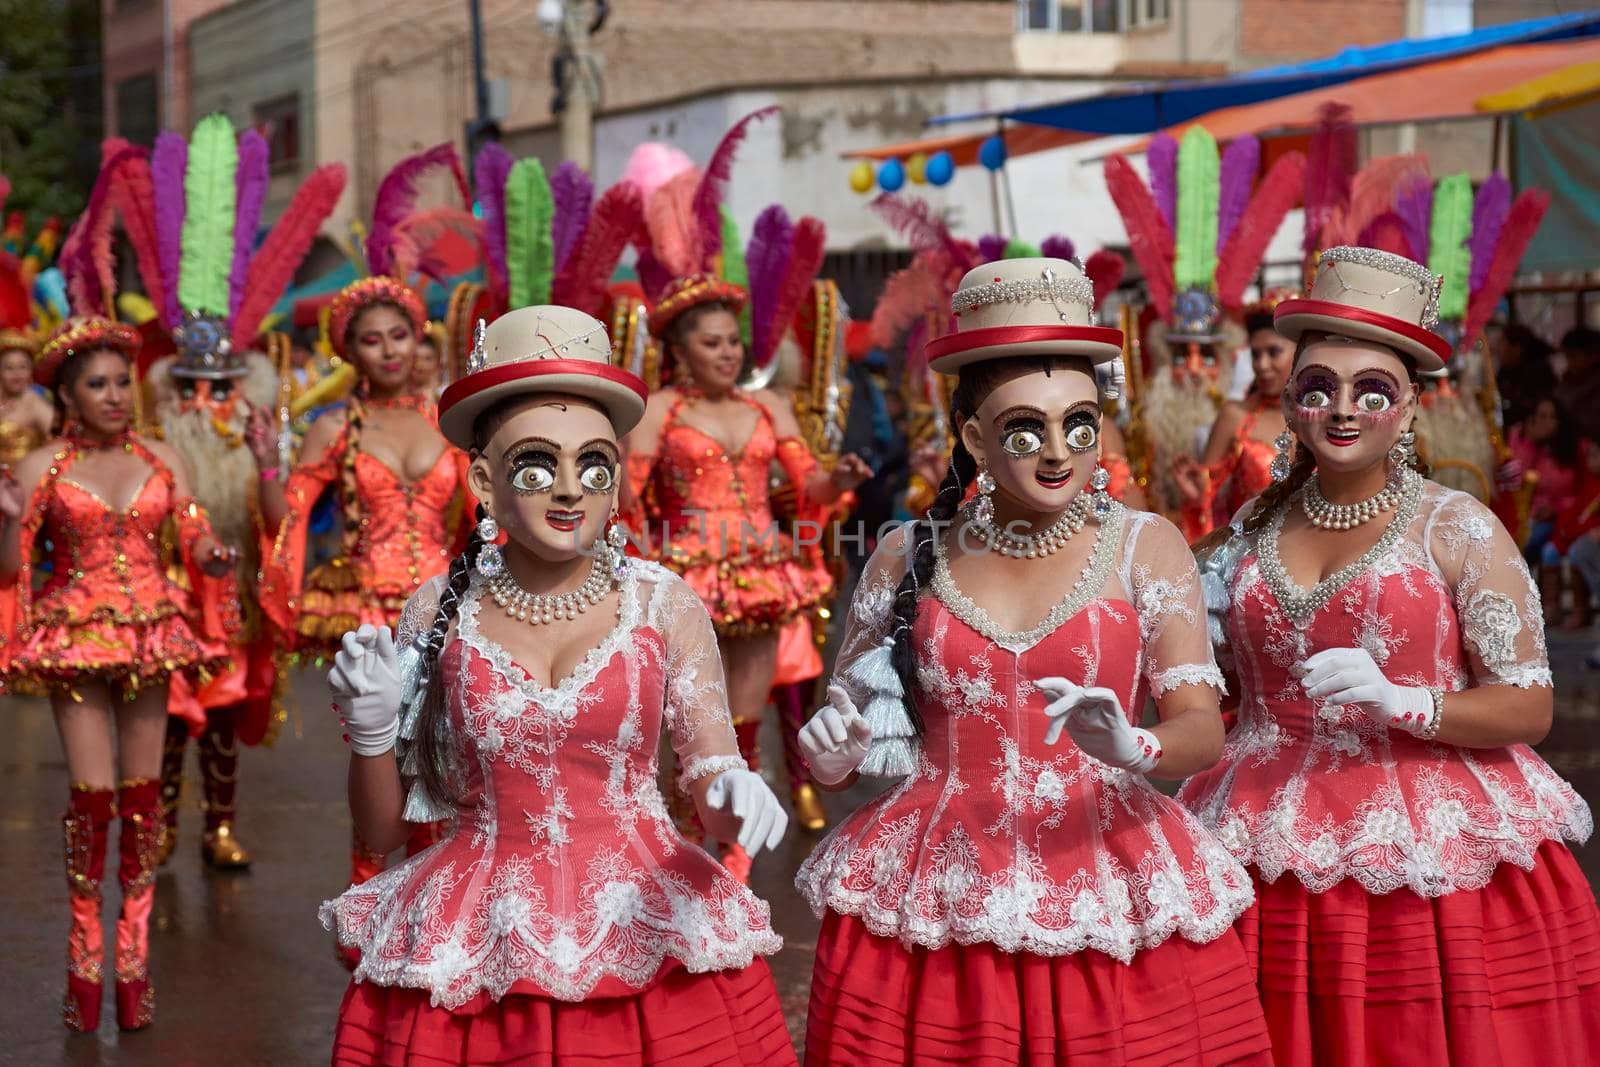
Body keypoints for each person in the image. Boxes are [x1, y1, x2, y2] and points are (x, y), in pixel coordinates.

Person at [795, 258, 1272, 1065]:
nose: (1059, 453)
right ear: (974, 435)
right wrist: (836, 759)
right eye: (1027, 428)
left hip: (1104, 875)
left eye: (1079, 424)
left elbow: (1201, 728)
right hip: (938, 894)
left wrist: (1137, 746)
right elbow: (854, 737)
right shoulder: (903, 555)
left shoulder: (1144, 545)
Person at [320, 304, 796, 1066]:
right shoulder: (436, 612)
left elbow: (708, 773)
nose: (571, 490)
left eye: (595, 464)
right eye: (538, 465)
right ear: (482, 478)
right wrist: (372, 733)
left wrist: (731, 790)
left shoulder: (662, 602)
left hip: (646, 927)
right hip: (477, 935)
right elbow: (380, 834)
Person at [1181, 246, 1600, 1066]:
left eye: (1371, 390)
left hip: (1426, 857)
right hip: (1260, 846)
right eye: (1318, 386)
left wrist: (1411, 704)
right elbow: (1213, 688)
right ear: (1291, 402)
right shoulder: (1244, 537)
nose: (1342, 409)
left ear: (1408, 407)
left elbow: (1529, 703)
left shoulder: (1458, 527)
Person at [0, 317, 239, 1032]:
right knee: (92, 800)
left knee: (144, 802)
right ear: (68, 394)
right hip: (75, 637)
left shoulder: (163, 457)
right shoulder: (41, 466)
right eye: (96, 384)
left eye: (121, 383)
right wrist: (4, 517)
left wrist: (216, 556)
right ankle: (84, 958)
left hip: (152, 635)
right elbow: (13, 569)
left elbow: (193, 535)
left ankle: (132, 963)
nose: (114, 396)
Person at [622, 275, 870, 875]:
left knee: (746, 713)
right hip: (688, 571)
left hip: (761, 567)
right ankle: (685, 830)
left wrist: (837, 483)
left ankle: (736, 849)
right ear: (680, 350)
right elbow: (626, 492)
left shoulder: (768, 405)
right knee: (688, 708)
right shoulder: (658, 411)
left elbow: (807, 483)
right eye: (712, 343)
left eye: (733, 342)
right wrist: (637, 554)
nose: (729, 354)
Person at [252, 274, 471, 888]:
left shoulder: (450, 421)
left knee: (441, 758)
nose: (390, 350)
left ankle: (430, 901)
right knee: (377, 759)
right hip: (370, 618)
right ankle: (368, 904)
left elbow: (489, 523)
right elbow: (283, 523)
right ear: (350, 352)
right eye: (372, 340)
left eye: (399, 335)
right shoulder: (334, 428)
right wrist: (267, 460)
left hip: (446, 610)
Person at [1174, 294, 1296, 540]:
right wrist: (1197, 497)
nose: (1262, 365)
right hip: (1252, 563)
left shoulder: (1324, 418)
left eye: (1273, 352)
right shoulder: (1236, 416)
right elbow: (1206, 503)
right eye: (1256, 355)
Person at [1507, 396, 1582, 621]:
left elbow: (1579, 491)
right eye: (1541, 416)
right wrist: (1530, 441)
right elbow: (1515, 479)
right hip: (1525, 515)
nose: (1546, 422)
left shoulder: (1573, 449)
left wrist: (1555, 509)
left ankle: (1532, 605)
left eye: (1552, 417)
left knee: (1523, 546)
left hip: (1561, 518)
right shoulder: (1520, 440)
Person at [0, 332, 54, 466]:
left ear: (31, 371)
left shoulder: (35, 404)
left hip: (20, 482)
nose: (16, 374)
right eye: (9, 368)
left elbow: (60, 441)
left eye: (23, 367)